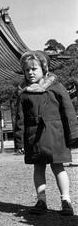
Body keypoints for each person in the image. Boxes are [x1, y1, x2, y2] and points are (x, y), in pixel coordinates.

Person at [14, 50, 78, 216]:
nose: (30, 73)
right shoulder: (24, 93)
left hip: (56, 135)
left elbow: (68, 112)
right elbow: (20, 119)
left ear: (44, 68)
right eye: (27, 70)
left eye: (34, 69)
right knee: (38, 167)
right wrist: (19, 141)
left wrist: (74, 135)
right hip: (34, 137)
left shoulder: (56, 87)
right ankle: (41, 200)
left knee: (58, 167)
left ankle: (66, 201)